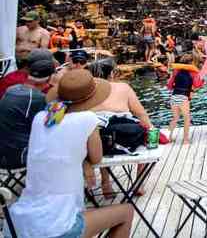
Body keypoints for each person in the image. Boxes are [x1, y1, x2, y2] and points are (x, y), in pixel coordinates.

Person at [8, 69, 134, 238]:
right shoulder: (87, 119)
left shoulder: (41, 118)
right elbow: (96, 157)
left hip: (18, 224)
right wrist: (88, 162)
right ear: (91, 98)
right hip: (56, 227)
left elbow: (56, 146)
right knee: (126, 211)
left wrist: (83, 162)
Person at [49, 68, 154, 198]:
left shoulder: (73, 100)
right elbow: (140, 113)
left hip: (92, 148)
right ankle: (139, 182)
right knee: (144, 134)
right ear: (111, 73)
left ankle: (106, 182)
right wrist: (151, 130)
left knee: (99, 135)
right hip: (127, 141)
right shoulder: (122, 87)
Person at [0, 51, 54, 170]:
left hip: (4, 150)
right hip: (17, 156)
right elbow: (52, 124)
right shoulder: (37, 98)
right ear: (50, 77)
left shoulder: (12, 89)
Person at [166, 54, 203, 144]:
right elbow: (197, 84)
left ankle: (168, 137)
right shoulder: (193, 72)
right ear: (191, 62)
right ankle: (185, 140)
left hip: (174, 96)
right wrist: (202, 80)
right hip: (183, 97)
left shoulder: (176, 71)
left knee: (175, 118)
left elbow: (169, 86)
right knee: (187, 118)